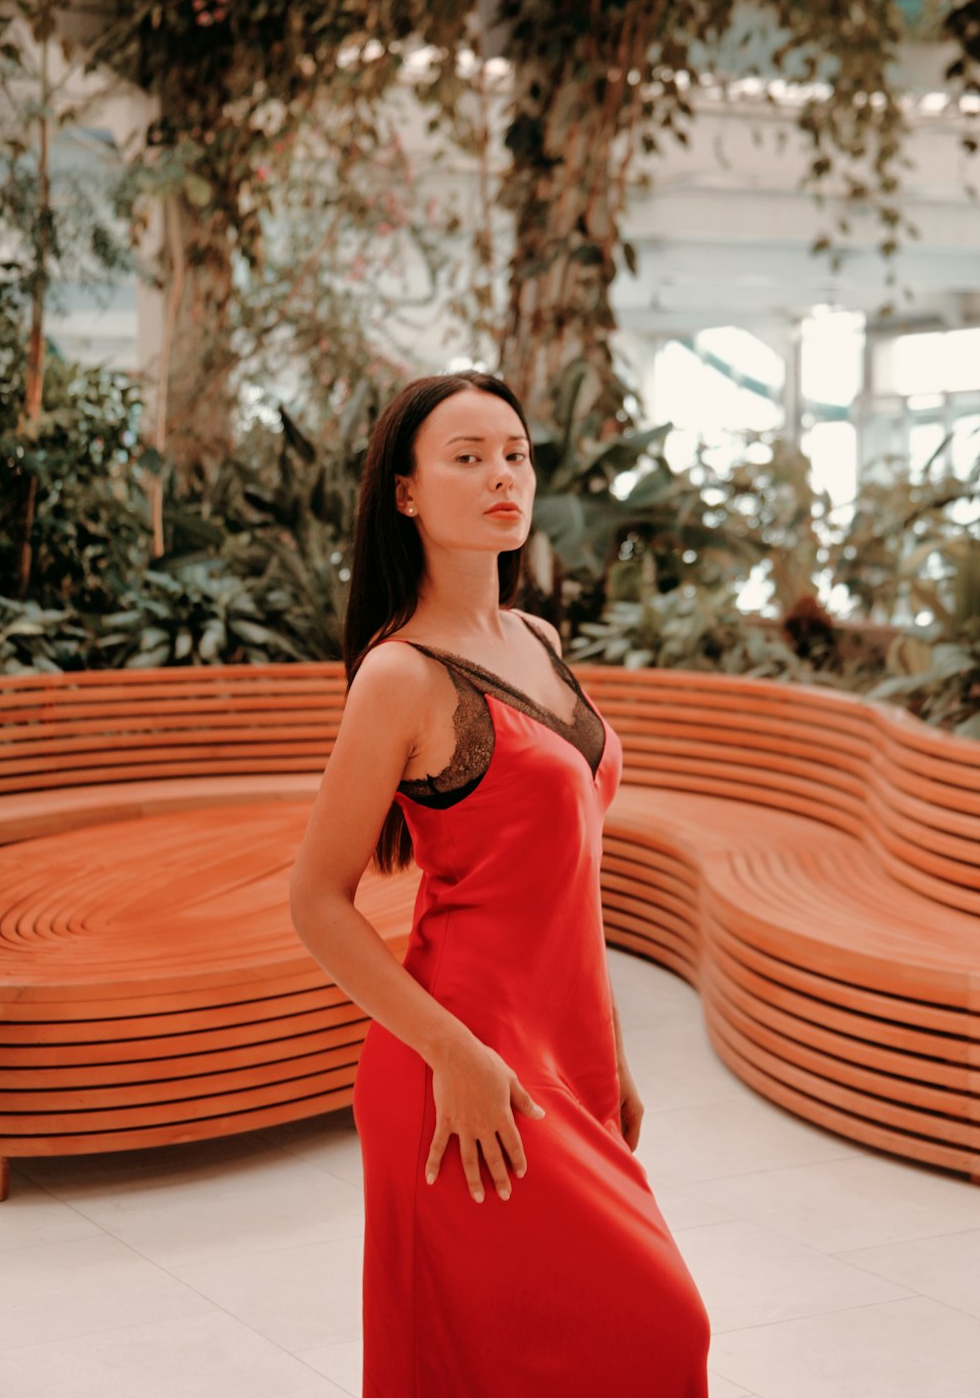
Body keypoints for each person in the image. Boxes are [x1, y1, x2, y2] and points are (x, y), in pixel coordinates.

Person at [289, 370, 711, 1397]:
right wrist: (454, 1054)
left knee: (591, 1350)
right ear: (404, 491)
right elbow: (316, 901)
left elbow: (574, 875)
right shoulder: (401, 675)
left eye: (514, 453)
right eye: (466, 457)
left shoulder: (536, 641)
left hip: (562, 1050)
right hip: (459, 1068)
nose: (501, 477)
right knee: (658, 1325)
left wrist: (606, 1044)